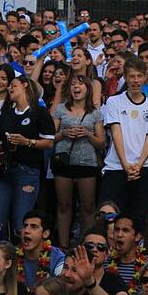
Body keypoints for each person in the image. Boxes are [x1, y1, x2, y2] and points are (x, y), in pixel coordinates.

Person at [99, 56, 148, 222]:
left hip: (143, 168)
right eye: (132, 76)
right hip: (116, 166)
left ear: (145, 77)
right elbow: (116, 132)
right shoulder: (114, 101)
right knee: (109, 216)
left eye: (140, 76)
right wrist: (126, 164)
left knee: (138, 218)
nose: (136, 80)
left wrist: (138, 164)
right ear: (125, 77)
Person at [0, 76, 54, 240]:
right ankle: (1, 259)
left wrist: (28, 142)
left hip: (28, 171)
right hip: (3, 171)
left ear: (25, 86)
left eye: (13, 85)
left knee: (21, 225)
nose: (9, 88)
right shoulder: (6, 114)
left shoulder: (39, 112)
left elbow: (49, 142)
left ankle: (21, 262)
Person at [51, 74, 104, 246]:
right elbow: (50, 137)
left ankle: (86, 245)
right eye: (73, 84)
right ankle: (63, 245)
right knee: (63, 205)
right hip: (64, 162)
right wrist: (64, 133)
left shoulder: (95, 113)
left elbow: (101, 142)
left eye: (80, 84)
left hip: (87, 164)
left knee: (88, 207)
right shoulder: (60, 109)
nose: (76, 87)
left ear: (87, 89)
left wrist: (88, 134)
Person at [15, 211, 66, 291]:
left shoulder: (58, 259)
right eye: (25, 226)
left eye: (33, 226)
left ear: (45, 233)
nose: (26, 231)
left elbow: (59, 293)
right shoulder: (12, 255)